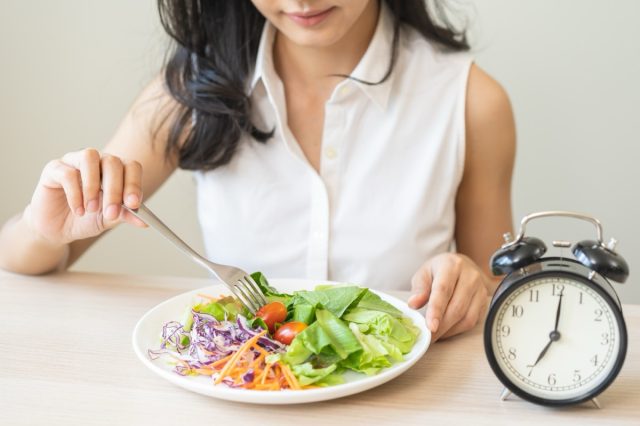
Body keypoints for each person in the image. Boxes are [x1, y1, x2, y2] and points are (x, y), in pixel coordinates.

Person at [0, 0, 515, 341]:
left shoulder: (471, 102)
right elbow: (24, 258)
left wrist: (473, 285)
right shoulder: (190, 92)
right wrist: (44, 228)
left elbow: (502, 294)